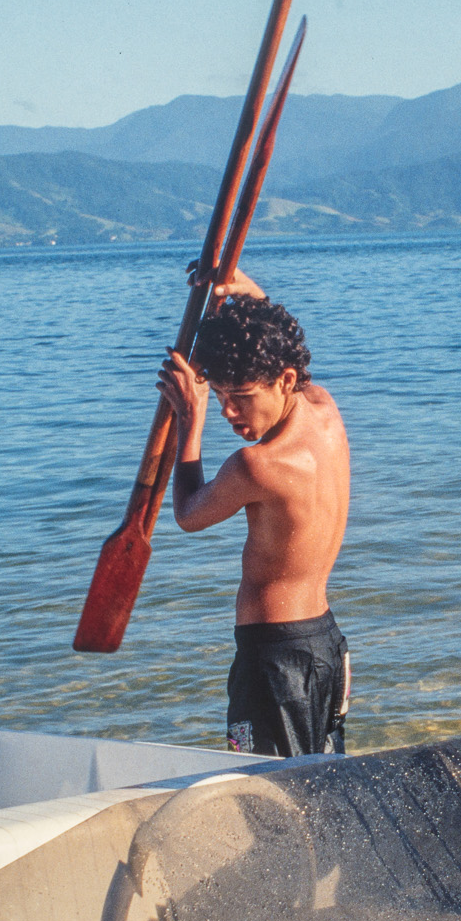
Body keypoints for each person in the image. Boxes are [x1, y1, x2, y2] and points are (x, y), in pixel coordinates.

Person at [157, 269, 352, 756]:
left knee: (262, 794)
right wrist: (251, 293)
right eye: (219, 397)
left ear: (283, 381)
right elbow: (287, 358)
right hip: (325, 645)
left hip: (273, 661)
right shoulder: (323, 410)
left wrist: (189, 420)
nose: (228, 411)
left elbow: (188, 513)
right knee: (320, 786)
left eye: (241, 398)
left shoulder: (257, 466)